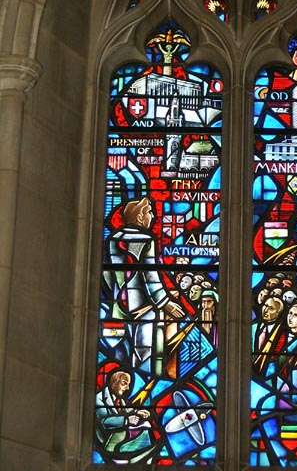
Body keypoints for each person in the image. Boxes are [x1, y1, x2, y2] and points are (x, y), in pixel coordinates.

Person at [106, 197, 184, 373]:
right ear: (140, 217)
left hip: (119, 305)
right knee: (144, 349)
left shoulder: (114, 240)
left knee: (123, 346)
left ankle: (127, 374)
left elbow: (108, 275)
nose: (153, 216)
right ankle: (146, 379)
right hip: (144, 306)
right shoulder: (145, 239)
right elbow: (150, 276)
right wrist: (166, 302)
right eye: (149, 212)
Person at [95, 371, 157, 462]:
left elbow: (126, 411)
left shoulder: (119, 399)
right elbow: (104, 421)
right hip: (106, 438)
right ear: (114, 383)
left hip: (120, 435)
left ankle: (142, 450)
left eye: (128, 384)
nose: (127, 388)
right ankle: (118, 453)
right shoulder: (99, 398)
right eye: (124, 383)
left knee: (146, 429)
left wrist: (137, 412)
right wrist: (126, 420)